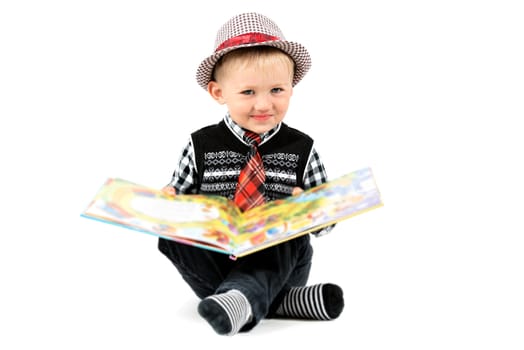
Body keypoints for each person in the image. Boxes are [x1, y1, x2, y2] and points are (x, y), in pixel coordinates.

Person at [158, 12, 344, 336]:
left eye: (276, 90)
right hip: (217, 266)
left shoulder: (302, 148)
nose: (264, 104)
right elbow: (178, 197)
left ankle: (245, 299)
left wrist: (310, 210)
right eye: (248, 93)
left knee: (280, 224)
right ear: (218, 93)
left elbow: (326, 224)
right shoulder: (199, 145)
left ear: (291, 89)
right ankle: (281, 303)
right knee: (171, 235)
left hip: (282, 261)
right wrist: (170, 202)